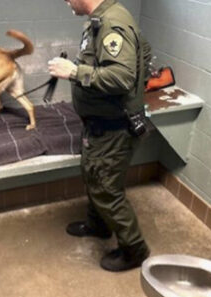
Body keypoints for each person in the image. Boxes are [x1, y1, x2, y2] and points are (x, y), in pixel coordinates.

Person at [48, 0, 150, 272]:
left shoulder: (112, 22)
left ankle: (134, 249)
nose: (64, 1)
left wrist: (74, 72)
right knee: (93, 176)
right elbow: (142, 56)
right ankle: (98, 225)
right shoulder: (100, 19)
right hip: (99, 123)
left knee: (106, 188)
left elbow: (122, 77)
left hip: (114, 127)